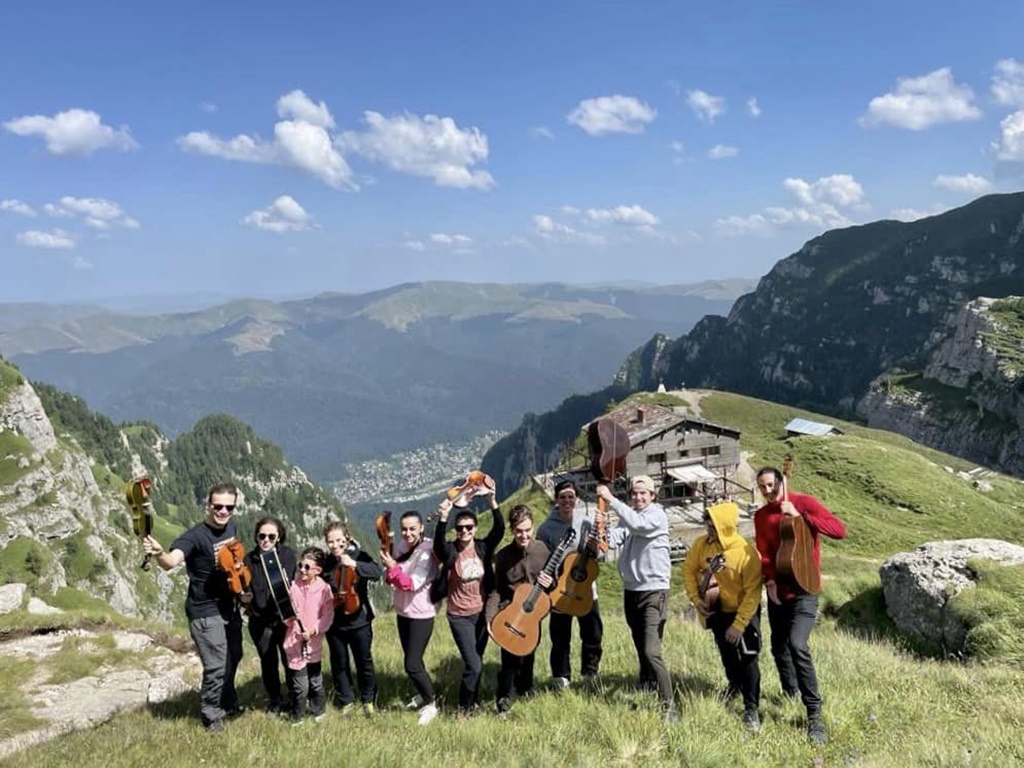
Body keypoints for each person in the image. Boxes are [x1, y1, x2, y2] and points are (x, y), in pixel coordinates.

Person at [753, 466, 847, 745]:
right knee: (778, 646)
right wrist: (770, 582)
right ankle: (790, 691)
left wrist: (802, 517)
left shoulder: (804, 503)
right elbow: (765, 553)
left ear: (781, 482)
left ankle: (814, 715)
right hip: (778, 591)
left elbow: (839, 530)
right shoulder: (761, 516)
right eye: (762, 487)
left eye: (770, 485)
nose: (767, 491)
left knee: (797, 645)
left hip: (805, 589)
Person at [143, 482, 245, 732]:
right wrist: (159, 553)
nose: (223, 511)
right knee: (216, 665)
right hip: (204, 610)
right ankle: (211, 715)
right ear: (207, 505)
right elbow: (171, 562)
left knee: (235, 656)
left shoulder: (230, 526)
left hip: (229, 605)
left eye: (228, 507)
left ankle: (228, 702)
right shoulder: (195, 536)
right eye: (218, 506)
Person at [598, 475, 677, 721]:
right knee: (639, 641)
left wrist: (610, 500)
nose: (638, 497)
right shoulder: (629, 516)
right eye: (634, 493)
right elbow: (612, 542)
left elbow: (639, 526)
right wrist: (601, 528)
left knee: (652, 650)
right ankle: (647, 683)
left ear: (652, 496)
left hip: (655, 590)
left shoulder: (656, 516)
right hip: (632, 590)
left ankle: (669, 706)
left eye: (643, 493)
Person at [682, 501, 763, 731]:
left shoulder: (746, 553)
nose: (708, 530)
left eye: (712, 526)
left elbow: (753, 592)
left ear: (725, 527)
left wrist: (739, 625)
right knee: (726, 653)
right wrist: (697, 600)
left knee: (748, 658)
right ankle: (734, 685)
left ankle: (751, 708)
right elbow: (688, 569)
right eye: (707, 526)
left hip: (744, 612)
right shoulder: (702, 545)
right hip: (716, 609)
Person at [433, 486, 505, 715]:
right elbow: (438, 545)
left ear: (475, 529)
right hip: (459, 616)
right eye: (460, 528)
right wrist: (443, 519)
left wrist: (493, 501)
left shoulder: (482, 548)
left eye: (469, 527)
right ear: (456, 530)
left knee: (477, 661)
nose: (464, 531)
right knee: (474, 664)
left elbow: (499, 530)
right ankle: (463, 707)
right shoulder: (452, 551)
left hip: (481, 614)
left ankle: (472, 702)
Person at [485, 504, 552, 718]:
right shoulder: (503, 556)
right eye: (519, 531)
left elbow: (554, 583)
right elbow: (496, 590)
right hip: (509, 614)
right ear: (512, 530)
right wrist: (489, 617)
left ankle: (525, 691)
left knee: (529, 655)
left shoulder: (542, 550)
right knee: (509, 661)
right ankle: (503, 701)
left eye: (527, 530)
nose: (523, 535)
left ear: (533, 527)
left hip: (533, 615)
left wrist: (549, 582)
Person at [537, 479, 604, 688]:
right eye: (563, 497)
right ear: (556, 500)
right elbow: (542, 560)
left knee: (592, 633)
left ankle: (589, 674)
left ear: (576, 499)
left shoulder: (586, 522)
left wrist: (596, 548)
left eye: (571, 497)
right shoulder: (546, 528)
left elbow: (598, 555)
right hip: (559, 589)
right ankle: (561, 677)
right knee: (560, 636)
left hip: (585, 587)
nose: (567, 501)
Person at [381, 510, 441, 726]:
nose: (407, 533)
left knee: (412, 664)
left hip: (421, 614)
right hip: (403, 612)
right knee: (413, 657)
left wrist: (392, 568)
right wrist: (391, 568)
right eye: (404, 529)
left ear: (421, 528)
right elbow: (394, 576)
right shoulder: (401, 547)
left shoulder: (427, 551)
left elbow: (412, 583)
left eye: (412, 529)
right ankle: (421, 693)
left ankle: (432, 703)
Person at [323, 521, 382, 717]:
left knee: (363, 661)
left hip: (360, 620)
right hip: (335, 622)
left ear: (347, 538)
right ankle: (346, 700)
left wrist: (354, 564)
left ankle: (368, 700)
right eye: (330, 541)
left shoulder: (359, 555)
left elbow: (376, 572)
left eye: (339, 540)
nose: (335, 545)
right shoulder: (327, 562)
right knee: (339, 662)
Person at [243, 516, 297, 716]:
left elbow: (293, 583)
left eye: (271, 537)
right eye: (262, 536)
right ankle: (275, 699)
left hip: (283, 618)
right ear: (256, 536)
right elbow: (244, 587)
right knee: (268, 661)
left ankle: (294, 696)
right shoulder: (249, 560)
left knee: (289, 658)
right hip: (260, 620)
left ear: (278, 538)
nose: (266, 540)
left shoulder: (287, 556)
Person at [284, 546, 334, 725]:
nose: (302, 570)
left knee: (316, 680)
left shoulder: (324, 589)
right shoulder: (293, 587)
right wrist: (290, 619)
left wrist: (313, 631)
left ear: (318, 570)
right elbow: (286, 616)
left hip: (313, 643)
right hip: (295, 642)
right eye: (300, 566)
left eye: (307, 567)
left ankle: (318, 710)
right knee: (300, 685)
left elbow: (327, 615)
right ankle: (297, 716)